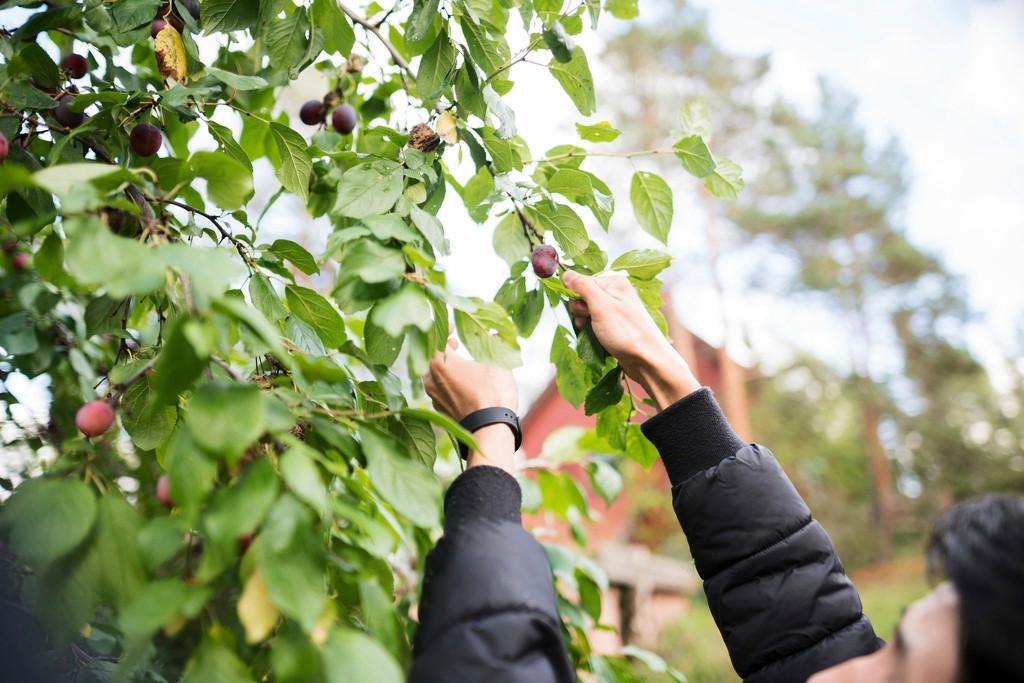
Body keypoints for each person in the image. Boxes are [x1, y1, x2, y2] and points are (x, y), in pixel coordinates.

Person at [409, 269, 1024, 683]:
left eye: (898, 670)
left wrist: (490, 440)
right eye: (892, 642)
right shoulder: (847, 667)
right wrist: (673, 384)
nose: (843, 674)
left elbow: (487, 663)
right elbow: (806, 620)